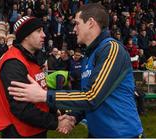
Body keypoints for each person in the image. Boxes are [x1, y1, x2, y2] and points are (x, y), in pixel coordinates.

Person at [8, 4, 143, 138]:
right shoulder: (89, 55)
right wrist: (74, 116)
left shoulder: (112, 49)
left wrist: (44, 95)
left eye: (77, 23)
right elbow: (86, 96)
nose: (74, 28)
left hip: (122, 135)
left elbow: (92, 97)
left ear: (90, 23)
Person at [0, 16, 75, 138]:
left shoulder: (33, 58)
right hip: (20, 132)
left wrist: (55, 112)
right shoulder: (13, 62)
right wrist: (56, 122)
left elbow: (42, 91)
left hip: (35, 128)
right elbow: (21, 108)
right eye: (38, 31)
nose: (44, 35)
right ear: (25, 35)